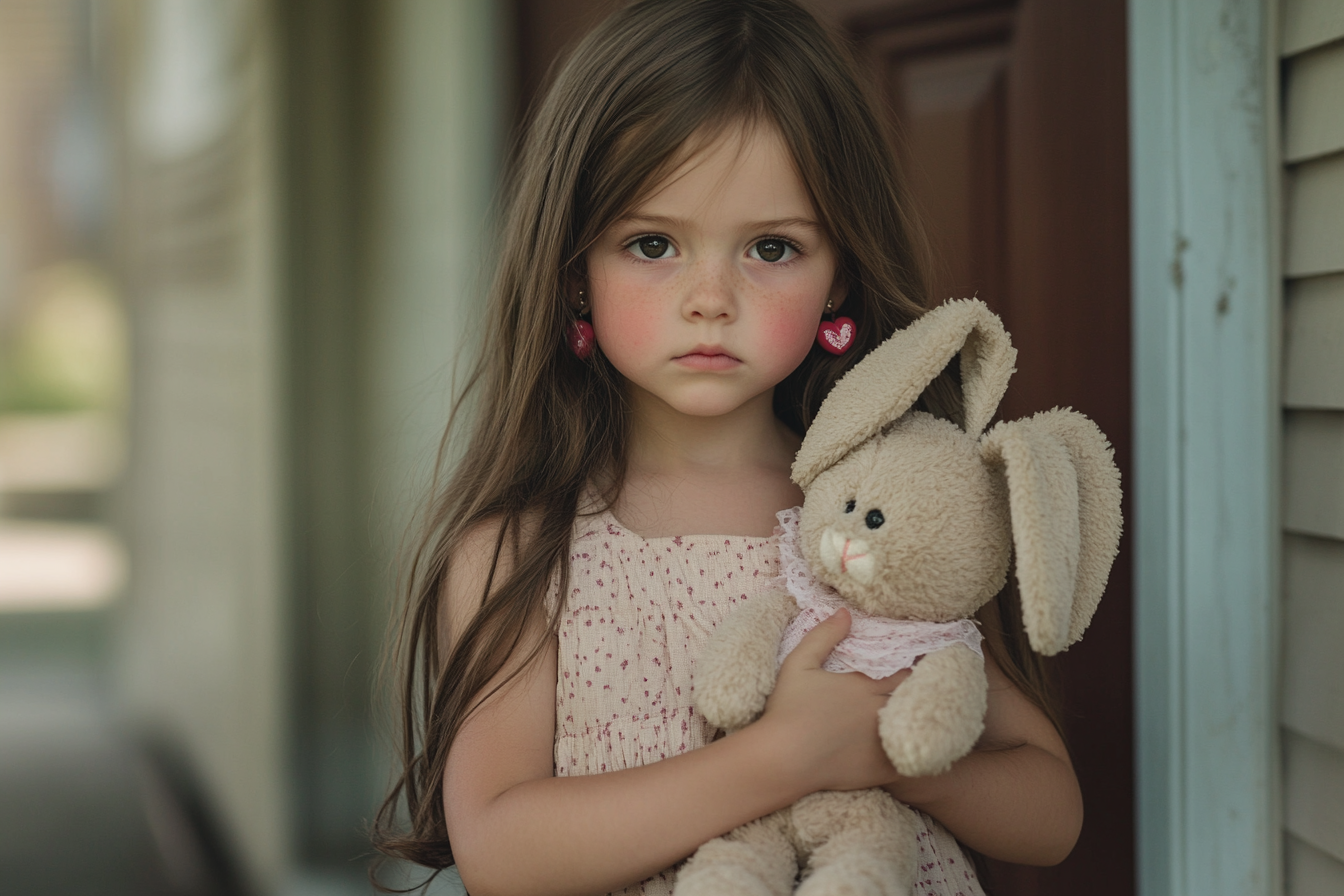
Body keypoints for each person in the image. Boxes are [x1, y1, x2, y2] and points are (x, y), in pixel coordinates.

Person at [373, 1, 1083, 894]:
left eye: (772, 248)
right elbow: (502, 852)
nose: (711, 297)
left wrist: (884, 756)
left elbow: (1051, 811)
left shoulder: (871, 512)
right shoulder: (522, 553)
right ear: (573, 274)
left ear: (840, 284)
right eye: (654, 243)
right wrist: (783, 757)